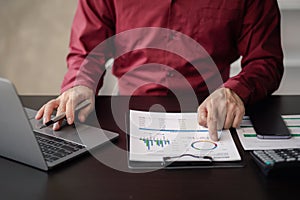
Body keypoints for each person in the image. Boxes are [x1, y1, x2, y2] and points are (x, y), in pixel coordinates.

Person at [36, 0, 283, 141]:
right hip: (127, 118)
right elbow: (88, 48)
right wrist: (81, 84)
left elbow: (266, 60)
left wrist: (235, 92)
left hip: (209, 118)